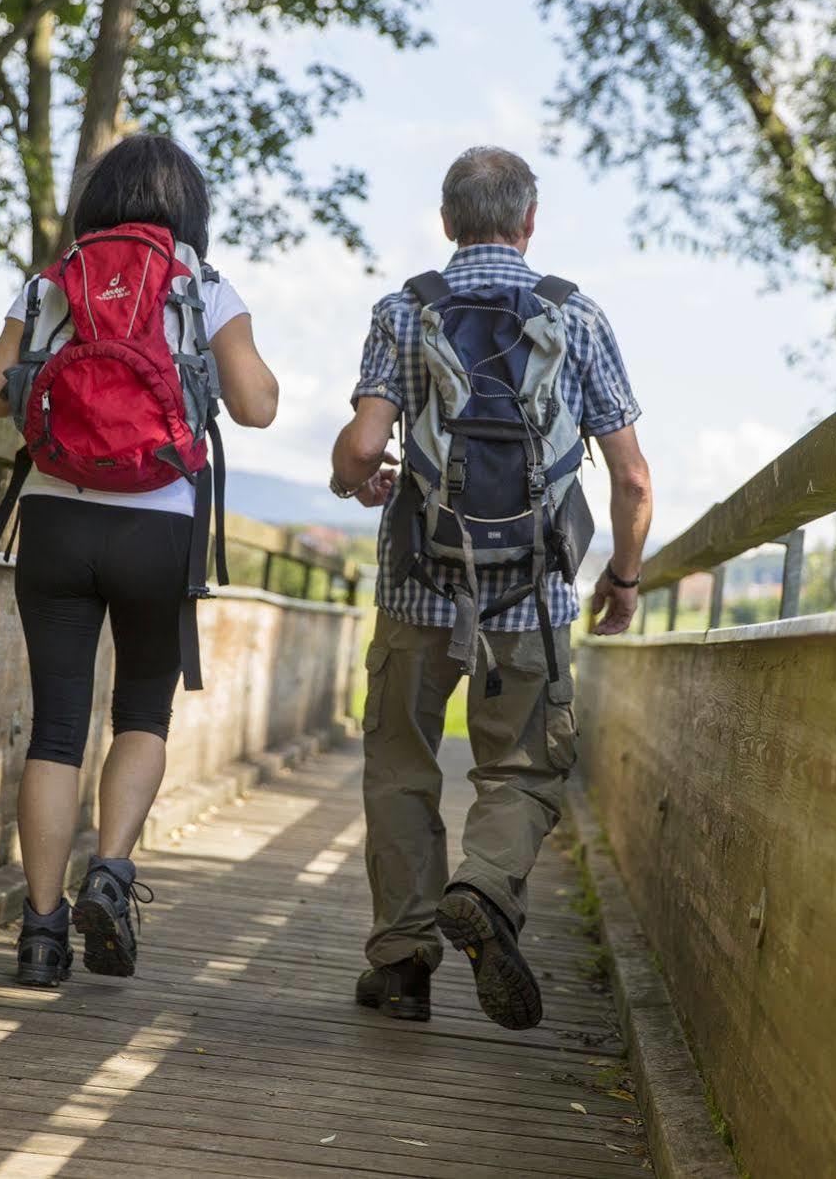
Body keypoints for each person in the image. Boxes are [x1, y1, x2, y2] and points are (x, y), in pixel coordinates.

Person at [330, 145, 652, 1029]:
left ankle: (401, 970)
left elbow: (363, 449)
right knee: (523, 769)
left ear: (446, 222)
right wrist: (620, 579)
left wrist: (348, 477)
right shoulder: (575, 317)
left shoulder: (405, 310)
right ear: (529, 222)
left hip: (417, 589)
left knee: (400, 769)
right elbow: (631, 480)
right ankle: (481, 887)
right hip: (534, 600)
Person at [0, 134, 279, 988]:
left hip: (54, 521)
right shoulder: (203, 286)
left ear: (97, 200)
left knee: (57, 728)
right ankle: (109, 871)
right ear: (191, 210)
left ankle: (39, 931)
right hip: (159, 526)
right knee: (141, 716)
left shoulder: (50, 282)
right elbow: (255, 407)